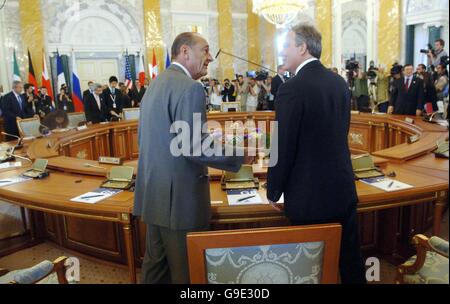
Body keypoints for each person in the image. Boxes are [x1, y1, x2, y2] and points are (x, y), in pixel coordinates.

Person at [134, 32, 246, 284]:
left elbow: (145, 138)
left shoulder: (156, 83)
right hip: (180, 203)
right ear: (185, 52)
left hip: (155, 194)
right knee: (187, 274)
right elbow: (194, 146)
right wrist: (241, 155)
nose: (210, 58)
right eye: (205, 51)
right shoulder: (190, 88)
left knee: (155, 271)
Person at [266, 24, 366, 284]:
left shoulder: (291, 88)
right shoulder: (339, 83)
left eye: (286, 45)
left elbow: (281, 145)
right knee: (350, 264)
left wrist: (273, 189)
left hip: (309, 197)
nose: (282, 52)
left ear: (302, 47)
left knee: (309, 269)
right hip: (343, 190)